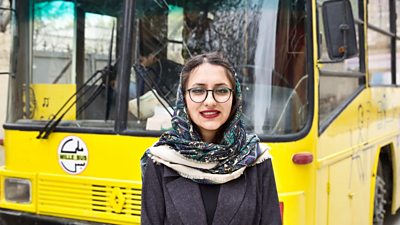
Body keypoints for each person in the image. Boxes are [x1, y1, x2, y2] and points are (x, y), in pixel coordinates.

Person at [140, 52, 282, 225]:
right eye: (198, 90)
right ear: (183, 97)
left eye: (221, 90)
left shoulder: (255, 158)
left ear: (234, 96)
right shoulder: (160, 162)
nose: (210, 101)